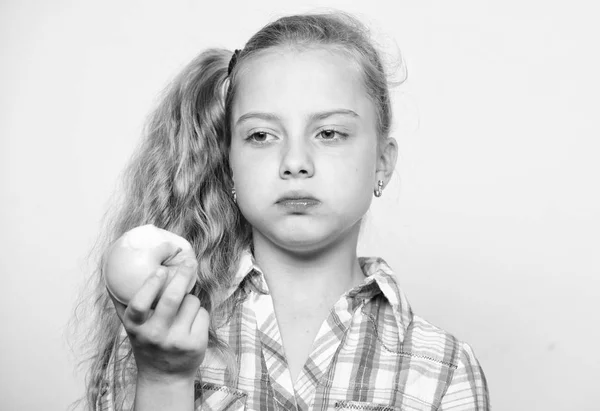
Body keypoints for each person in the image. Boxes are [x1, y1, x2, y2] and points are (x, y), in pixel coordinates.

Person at [80, 11, 490, 411]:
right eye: (261, 135)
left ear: (382, 161)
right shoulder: (158, 336)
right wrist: (164, 378)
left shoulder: (444, 370)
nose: (295, 162)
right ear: (230, 163)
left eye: (329, 133)